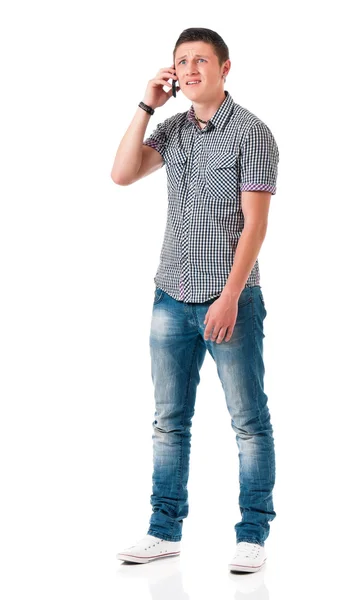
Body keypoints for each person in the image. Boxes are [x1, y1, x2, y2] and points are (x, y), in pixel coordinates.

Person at [112, 27, 279, 573]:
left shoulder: (252, 134)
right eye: (180, 61)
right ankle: (164, 530)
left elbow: (255, 227)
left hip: (229, 301)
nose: (188, 69)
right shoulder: (174, 130)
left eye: (200, 60)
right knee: (168, 420)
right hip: (170, 294)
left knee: (248, 421)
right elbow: (122, 174)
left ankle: (252, 533)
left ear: (225, 68)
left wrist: (231, 297)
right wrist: (145, 104)